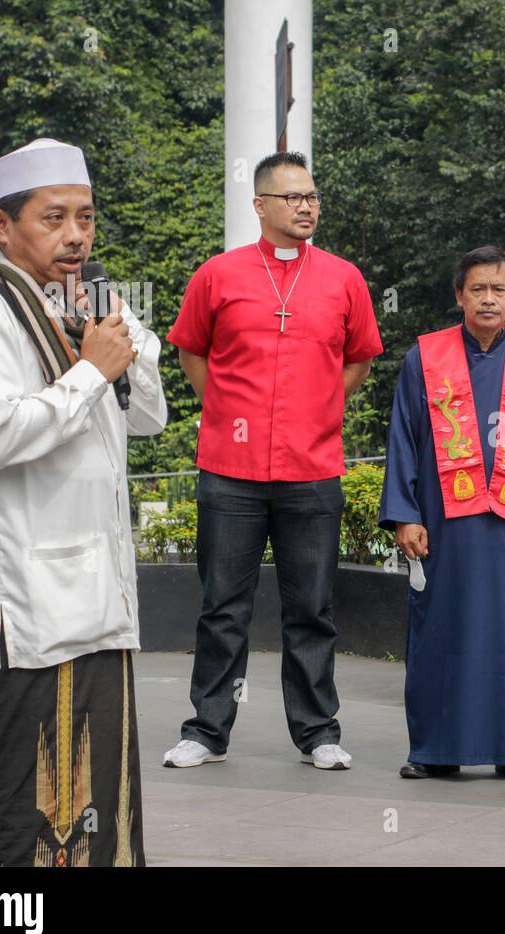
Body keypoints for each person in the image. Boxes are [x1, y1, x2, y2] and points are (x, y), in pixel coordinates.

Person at [0, 137, 167, 865]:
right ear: (2, 225)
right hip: (18, 608)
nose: (75, 236)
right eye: (53, 218)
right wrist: (92, 370)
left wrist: (120, 358)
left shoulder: (86, 300)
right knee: (12, 807)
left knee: (101, 807)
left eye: (85, 218)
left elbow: (145, 417)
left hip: (95, 597)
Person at [164, 151, 383, 772]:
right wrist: (225, 406)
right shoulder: (219, 275)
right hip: (229, 470)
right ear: (259, 205)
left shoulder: (344, 278)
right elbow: (192, 350)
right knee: (222, 608)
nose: (307, 206)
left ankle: (318, 732)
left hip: (312, 469)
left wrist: (318, 407)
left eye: (312, 196)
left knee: (311, 608)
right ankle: (207, 730)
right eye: (293, 198)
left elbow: (360, 356)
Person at [378, 245, 505, 780]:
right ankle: (435, 749)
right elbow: (403, 438)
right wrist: (403, 513)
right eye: (477, 289)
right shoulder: (424, 358)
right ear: (459, 295)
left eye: (499, 289)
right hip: (441, 523)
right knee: (441, 628)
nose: (488, 299)